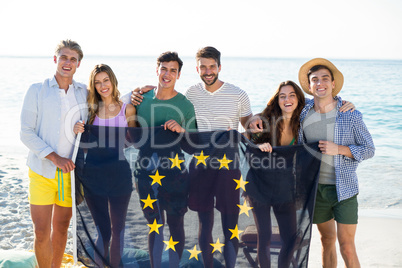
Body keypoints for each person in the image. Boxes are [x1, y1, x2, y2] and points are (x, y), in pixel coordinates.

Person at [131, 46, 253, 268]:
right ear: (197, 69)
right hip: (187, 168)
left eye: (212, 66)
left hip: (224, 168)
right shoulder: (189, 95)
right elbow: (128, 122)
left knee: (229, 225)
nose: (208, 71)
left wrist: (260, 130)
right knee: (200, 224)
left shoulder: (234, 95)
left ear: (219, 67)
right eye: (203, 67)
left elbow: (248, 128)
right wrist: (133, 93)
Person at [297, 58, 375, 268]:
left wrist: (339, 149)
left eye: (325, 79)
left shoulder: (350, 115)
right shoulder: (302, 112)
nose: (320, 83)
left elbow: (369, 149)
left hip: (345, 189)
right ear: (310, 85)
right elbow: (277, 106)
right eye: (315, 80)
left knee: (347, 246)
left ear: (333, 84)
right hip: (316, 190)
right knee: (326, 240)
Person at [20, 40, 87, 268]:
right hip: (41, 172)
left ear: (78, 64)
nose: (67, 63)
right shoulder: (36, 90)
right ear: (55, 58)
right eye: (64, 57)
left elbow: (111, 102)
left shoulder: (84, 93)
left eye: (73, 59)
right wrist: (55, 158)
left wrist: (138, 93)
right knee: (41, 232)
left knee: (61, 229)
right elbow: (26, 133)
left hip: (69, 177)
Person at [134, 51, 196, 268]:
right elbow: (130, 137)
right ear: (157, 70)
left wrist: (180, 131)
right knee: (154, 225)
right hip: (145, 171)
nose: (167, 74)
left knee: (176, 223)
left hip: (175, 174)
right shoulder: (141, 100)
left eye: (173, 70)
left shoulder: (185, 105)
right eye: (164, 69)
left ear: (178, 75)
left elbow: (193, 146)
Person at [74, 64, 136, 267]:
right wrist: (77, 129)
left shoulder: (127, 109)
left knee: (118, 230)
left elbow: (133, 140)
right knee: (103, 232)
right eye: (98, 82)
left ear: (113, 80)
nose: (103, 86)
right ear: (94, 86)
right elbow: (82, 146)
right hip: (93, 177)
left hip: (119, 175)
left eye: (106, 80)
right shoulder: (88, 112)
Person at [245, 80, 305, 268]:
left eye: (292, 95)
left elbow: (324, 102)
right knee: (265, 237)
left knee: (291, 239)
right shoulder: (264, 119)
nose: (287, 99)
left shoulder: (302, 121)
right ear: (277, 100)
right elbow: (246, 140)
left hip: (284, 186)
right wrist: (257, 144)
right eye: (282, 96)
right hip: (258, 184)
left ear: (298, 99)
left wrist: (341, 101)